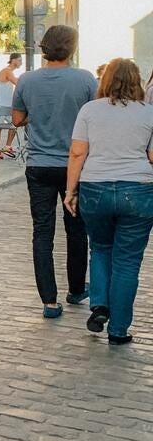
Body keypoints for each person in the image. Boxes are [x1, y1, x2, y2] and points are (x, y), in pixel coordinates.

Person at [11, 25, 97, 318]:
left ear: (44, 47)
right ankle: (75, 289)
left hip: (38, 164)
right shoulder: (86, 80)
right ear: (71, 48)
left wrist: (39, 115)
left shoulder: (27, 80)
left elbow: (17, 119)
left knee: (42, 232)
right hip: (76, 166)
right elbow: (96, 117)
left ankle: (49, 300)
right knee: (76, 229)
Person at [65, 59, 153, 345]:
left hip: (95, 187)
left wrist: (70, 191)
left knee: (100, 249)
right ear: (136, 81)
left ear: (106, 80)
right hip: (138, 190)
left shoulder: (90, 110)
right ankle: (118, 331)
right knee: (128, 262)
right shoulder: (149, 113)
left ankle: (100, 304)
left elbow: (78, 153)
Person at [0, 53, 22, 159]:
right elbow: (17, 82)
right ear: (13, 60)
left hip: (8, 105)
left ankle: (7, 146)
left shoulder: (11, 73)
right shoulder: (7, 71)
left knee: (14, 124)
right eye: (20, 60)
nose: (21, 63)